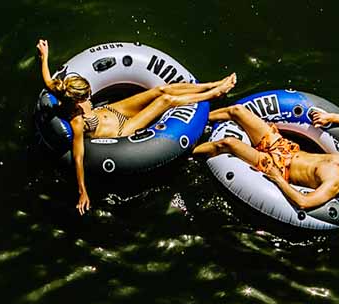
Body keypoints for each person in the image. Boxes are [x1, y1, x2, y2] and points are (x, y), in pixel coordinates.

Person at [36, 39, 237, 213]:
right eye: (86, 96)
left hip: (115, 111)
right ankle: (212, 94)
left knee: (161, 90)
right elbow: (78, 158)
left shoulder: (60, 89)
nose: (90, 96)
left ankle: (210, 84)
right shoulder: (77, 122)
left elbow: (47, 78)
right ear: (75, 101)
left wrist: (44, 56)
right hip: (122, 129)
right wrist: (82, 192)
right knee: (165, 100)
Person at [193, 104, 339, 212]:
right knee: (238, 111)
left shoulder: (334, 183)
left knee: (229, 143)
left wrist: (278, 179)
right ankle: (195, 121)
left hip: (279, 167)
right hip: (285, 148)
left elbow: (304, 202)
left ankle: (188, 151)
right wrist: (329, 117)